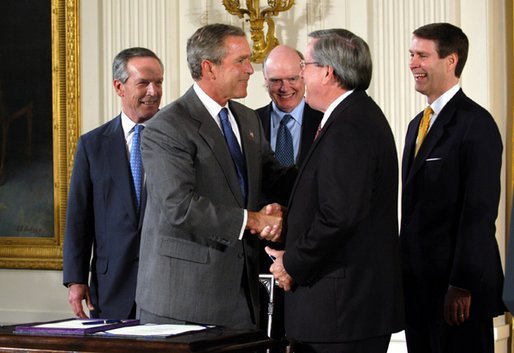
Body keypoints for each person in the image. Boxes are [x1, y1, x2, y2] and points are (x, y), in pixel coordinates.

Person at [135, 23, 296, 329]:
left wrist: (324, 157)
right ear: (209, 68)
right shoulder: (167, 126)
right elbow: (179, 206)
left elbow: (273, 179)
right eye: (241, 61)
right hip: (182, 302)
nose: (251, 69)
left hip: (242, 297)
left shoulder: (247, 119)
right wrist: (255, 220)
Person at [266, 29, 404, 353]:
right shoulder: (352, 116)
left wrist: (292, 264)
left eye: (305, 65)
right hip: (344, 313)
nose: (300, 74)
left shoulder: (350, 127)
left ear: (328, 72)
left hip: (343, 313)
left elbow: (339, 216)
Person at [400, 22, 505, 353]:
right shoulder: (417, 125)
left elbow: (479, 212)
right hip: (418, 290)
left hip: (457, 294)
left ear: (451, 60)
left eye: (422, 55)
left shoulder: (477, 123)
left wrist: (462, 285)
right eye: (411, 55)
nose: (413, 63)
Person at [63, 47, 164, 319]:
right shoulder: (92, 145)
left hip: (166, 287)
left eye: (158, 82)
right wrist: (75, 279)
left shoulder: (178, 140)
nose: (153, 91)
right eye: (143, 83)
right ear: (119, 86)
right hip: (110, 289)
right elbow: (78, 217)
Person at [256, 45, 322, 168]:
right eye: (276, 80)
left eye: (292, 79)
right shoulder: (250, 122)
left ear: (304, 77)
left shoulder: (324, 120)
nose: (284, 88)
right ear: (266, 80)